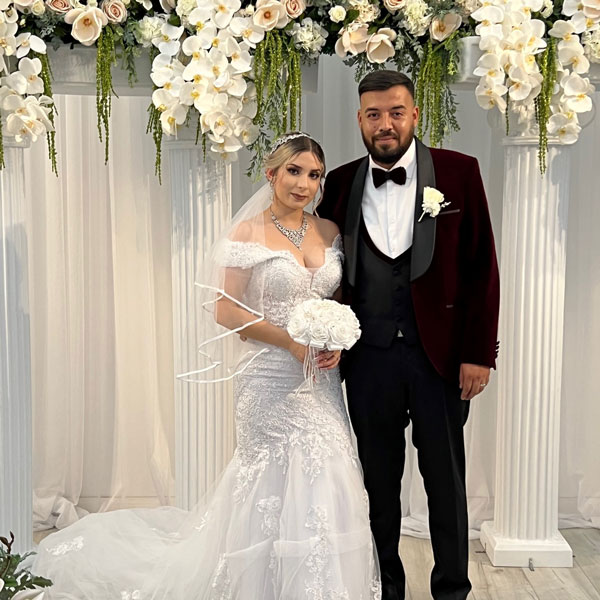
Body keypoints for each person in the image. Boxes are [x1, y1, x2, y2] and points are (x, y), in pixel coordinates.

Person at [32, 133, 381, 599]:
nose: (304, 184)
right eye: (294, 172)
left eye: (314, 175)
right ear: (271, 173)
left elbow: (334, 301)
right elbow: (226, 310)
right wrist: (290, 343)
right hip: (270, 379)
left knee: (331, 470)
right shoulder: (248, 233)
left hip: (321, 381)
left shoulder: (329, 232)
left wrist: (333, 341)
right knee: (273, 477)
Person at [318, 71, 500, 600]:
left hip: (440, 359)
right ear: (360, 119)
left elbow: (481, 267)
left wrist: (478, 353)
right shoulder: (342, 183)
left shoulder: (460, 173)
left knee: (446, 483)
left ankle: (451, 590)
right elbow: (326, 269)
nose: (385, 123)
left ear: (415, 114)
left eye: (396, 112)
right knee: (377, 485)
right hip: (368, 359)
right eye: (373, 114)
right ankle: (386, 588)